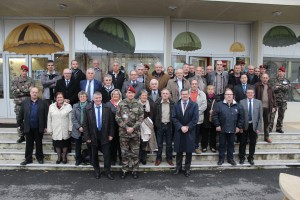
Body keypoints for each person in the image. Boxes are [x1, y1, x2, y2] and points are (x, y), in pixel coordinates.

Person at [83, 92, 115, 180]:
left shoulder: (107, 108)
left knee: (107, 155)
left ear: (101, 98)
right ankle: (97, 171)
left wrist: (111, 134)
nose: (98, 99)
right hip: (93, 135)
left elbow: (111, 123)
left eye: (99, 98)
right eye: (96, 98)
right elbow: (85, 124)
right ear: (93, 99)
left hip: (105, 134)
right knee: (94, 155)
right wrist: (87, 137)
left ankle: (107, 171)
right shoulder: (87, 108)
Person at [116, 86, 144, 179]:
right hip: (124, 133)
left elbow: (141, 118)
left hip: (135, 133)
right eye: (129, 93)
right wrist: (126, 127)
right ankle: (124, 170)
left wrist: (133, 128)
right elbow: (117, 117)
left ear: (134, 94)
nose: (130, 94)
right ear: (126, 94)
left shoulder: (138, 104)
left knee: (135, 153)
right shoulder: (121, 104)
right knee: (124, 153)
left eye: (132, 93)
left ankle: (135, 170)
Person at [213, 88, 244, 166]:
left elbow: (241, 117)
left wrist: (238, 127)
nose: (229, 96)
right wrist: (217, 125)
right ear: (224, 96)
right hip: (222, 129)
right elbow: (215, 115)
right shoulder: (219, 105)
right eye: (227, 94)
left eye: (230, 94)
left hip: (233, 129)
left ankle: (230, 159)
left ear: (233, 96)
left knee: (231, 145)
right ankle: (221, 159)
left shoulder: (238, 105)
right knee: (222, 144)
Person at [17, 87, 48, 165]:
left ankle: (40, 158)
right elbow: (20, 115)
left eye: (36, 92)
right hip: (28, 127)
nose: (35, 93)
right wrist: (18, 124)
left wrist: (46, 126)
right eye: (33, 92)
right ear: (30, 93)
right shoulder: (25, 102)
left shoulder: (43, 103)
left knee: (39, 144)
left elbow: (46, 116)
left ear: (38, 93)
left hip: (39, 127)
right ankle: (28, 159)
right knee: (28, 144)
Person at [172, 89, 199, 177]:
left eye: (186, 94)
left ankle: (187, 168)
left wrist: (188, 127)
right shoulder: (176, 105)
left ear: (189, 95)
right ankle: (178, 168)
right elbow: (174, 118)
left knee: (189, 151)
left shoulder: (194, 105)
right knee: (179, 151)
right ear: (181, 95)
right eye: (183, 94)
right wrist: (181, 127)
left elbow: (195, 119)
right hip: (179, 131)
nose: (184, 96)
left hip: (189, 131)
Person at [11, 65, 35, 143]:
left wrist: (20, 89)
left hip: (28, 103)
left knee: (29, 119)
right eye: (23, 70)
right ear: (20, 71)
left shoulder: (31, 80)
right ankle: (21, 136)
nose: (24, 72)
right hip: (18, 104)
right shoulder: (15, 80)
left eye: (25, 71)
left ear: (27, 71)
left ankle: (29, 135)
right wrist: (26, 90)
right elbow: (14, 91)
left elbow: (32, 91)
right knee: (19, 120)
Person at [239, 88, 263, 165]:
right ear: (246, 94)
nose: (250, 94)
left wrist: (259, 128)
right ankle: (242, 157)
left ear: (254, 94)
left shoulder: (258, 102)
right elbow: (240, 116)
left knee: (252, 143)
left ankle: (251, 158)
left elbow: (260, 116)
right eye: (248, 93)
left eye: (251, 93)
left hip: (254, 126)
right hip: (244, 126)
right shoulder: (241, 102)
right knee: (242, 142)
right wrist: (240, 127)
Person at [47, 92, 72, 164]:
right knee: (57, 144)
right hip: (55, 128)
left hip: (65, 128)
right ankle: (59, 157)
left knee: (65, 143)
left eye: (61, 97)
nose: (59, 99)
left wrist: (70, 128)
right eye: (58, 97)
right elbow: (49, 118)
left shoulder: (68, 106)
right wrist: (49, 129)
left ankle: (64, 157)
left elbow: (70, 119)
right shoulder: (51, 106)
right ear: (55, 98)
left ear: (63, 98)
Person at [154, 88, 174, 166]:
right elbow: (154, 114)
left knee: (169, 143)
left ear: (169, 95)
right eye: (163, 93)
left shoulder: (172, 103)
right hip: (160, 125)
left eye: (166, 93)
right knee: (159, 143)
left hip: (169, 125)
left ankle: (169, 158)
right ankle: (158, 159)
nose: (165, 95)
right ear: (161, 94)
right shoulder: (157, 103)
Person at [254, 74, 276, 143]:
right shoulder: (257, 85)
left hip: (267, 107)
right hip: (259, 107)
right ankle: (255, 137)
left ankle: (266, 137)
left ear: (268, 78)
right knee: (257, 122)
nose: (265, 79)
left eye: (266, 78)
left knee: (267, 122)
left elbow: (273, 97)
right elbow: (254, 95)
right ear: (261, 78)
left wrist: (274, 106)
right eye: (263, 78)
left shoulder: (270, 87)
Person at [269, 67, 291, 133]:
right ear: (277, 72)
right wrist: (281, 87)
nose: (280, 73)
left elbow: (287, 88)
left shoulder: (287, 80)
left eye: (282, 71)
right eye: (279, 71)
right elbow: (272, 88)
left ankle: (279, 128)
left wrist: (279, 86)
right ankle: (270, 128)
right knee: (272, 115)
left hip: (283, 101)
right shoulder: (273, 80)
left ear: (284, 72)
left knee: (281, 115)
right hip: (274, 100)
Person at [138, 90, 156, 165]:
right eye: (143, 95)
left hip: (147, 125)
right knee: (139, 142)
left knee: (145, 142)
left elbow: (152, 115)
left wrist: (149, 122)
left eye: (145, 95)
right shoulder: (136, 104)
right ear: (140, 96)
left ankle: (144, 158)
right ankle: (138, 158)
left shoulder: (150, 104)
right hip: (138, 125)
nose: (144, 97)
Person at [71, 91, 89, 166]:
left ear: (87, 97)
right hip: (77, 129)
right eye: (81, 96)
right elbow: (73, 118)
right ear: (79, 98)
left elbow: (91, 118)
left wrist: (84, 127)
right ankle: (78, 159)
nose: (82, 98)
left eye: (84, 96)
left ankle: (88, 159)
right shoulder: (75, 106)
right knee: (78, 146)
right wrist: (79, 127)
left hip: (87, 129)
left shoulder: (90, 105)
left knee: (89, 145)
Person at [189, 80, 207, 154]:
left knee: (196, 134)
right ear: (190, 85)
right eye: (192, 84)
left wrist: (195, 112)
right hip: (188, 118)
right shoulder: (186, 93)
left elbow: (204, 105)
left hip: (198, 117)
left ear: (197, 85)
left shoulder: (202, 93)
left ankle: (196, 147)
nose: (194, 85)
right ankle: (189, 147)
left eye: (195, 84)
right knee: (188, 133)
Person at [106, 89, 122, 166]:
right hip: (111, 128)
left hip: (121, 127)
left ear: (120, 96)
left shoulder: (123, 103)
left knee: (121, 144)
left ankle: (122, 159)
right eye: (114, 94)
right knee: (112, 144)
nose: (115, 96)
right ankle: (113, 159)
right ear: (111, 96)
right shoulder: (108, 104)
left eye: (117, 94)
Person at [202, 85, 217, 153]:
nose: (210, 91)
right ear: (206, 90)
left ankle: (213, 146)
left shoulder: (217, 98)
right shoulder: (204, 97)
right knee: (205, 133)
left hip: (214, 118)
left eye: (212, 89)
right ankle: (204, 146)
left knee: (213, 133)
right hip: (205, 117)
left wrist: (213, 111)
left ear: (214, 90)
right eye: (209, 89)